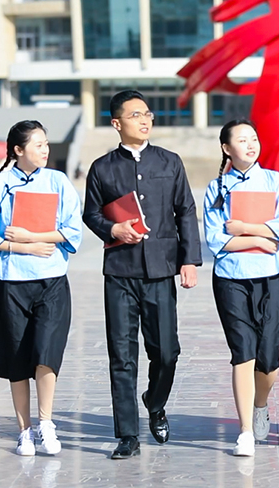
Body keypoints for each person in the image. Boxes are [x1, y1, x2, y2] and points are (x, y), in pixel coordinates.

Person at [83, 90, 202, 460]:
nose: (144, 119)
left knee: (166, 352)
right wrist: (112, 229)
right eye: (135, 115)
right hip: (120, 272)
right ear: (116, 123)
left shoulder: (169, 161)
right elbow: (91, 213)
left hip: (161, 270)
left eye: (147, 113)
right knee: (122, 355)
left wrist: (189, 260)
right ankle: (127, 435)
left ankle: (155, 401)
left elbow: (185, 211)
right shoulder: (102, 168)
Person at [0, 120, 83, 456]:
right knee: (17, 360)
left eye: (46, 144)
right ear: (18, 150)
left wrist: (32, 237)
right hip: (12, 283)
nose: (45, 150)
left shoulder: (58, 181)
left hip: (52, 282)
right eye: (38, 145)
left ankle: (46, 423)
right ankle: (24, 431)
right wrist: (23, 246)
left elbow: (72, 230)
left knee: (47, 353)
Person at [203, 119, 279, 457]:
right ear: (226, 148)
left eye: (254, 138)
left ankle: (260, 404)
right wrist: (259, 237)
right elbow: (216, 240)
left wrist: (244, 228)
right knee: (243, 350)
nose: (251, 145)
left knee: (268, 358)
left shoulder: (275, 181)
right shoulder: (216, 188)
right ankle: (245, 430)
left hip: (272, 276)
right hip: (231, 278)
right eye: (242, 140)